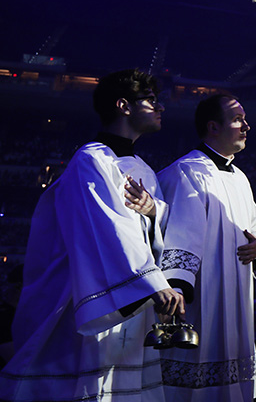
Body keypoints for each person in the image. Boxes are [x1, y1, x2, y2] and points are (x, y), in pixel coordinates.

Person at [0, 68, 185, 401]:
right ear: (123, 105)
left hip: (133, 302)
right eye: (152, 101)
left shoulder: (143, 168)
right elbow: (108, 229)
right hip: (95, 298)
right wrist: (153, 282)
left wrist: (156, 211)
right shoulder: (91, 160)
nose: (161, 108)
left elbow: (155, 228)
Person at [157, 94, 256, 401]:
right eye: (237, 119)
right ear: (213, 127)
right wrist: (177, 286)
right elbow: (178, 232)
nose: (246, 125)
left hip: (238, 294)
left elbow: (255, 227)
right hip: (202, 296)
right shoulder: (186, 172)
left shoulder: (241, 178)